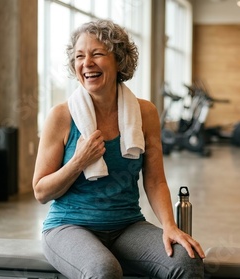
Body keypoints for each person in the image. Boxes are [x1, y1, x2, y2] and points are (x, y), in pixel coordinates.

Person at [32, 19, 205, 279]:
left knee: (186, 261)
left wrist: (169, 226)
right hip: (68, 226)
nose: (86, 63)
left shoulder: (144, 113)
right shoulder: (61, 116)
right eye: (80, 56)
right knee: (103, 271)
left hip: (127, 225)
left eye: (97, 54)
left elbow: (155, 180)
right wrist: (78, 161)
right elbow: (41, 191)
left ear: (119, 60)